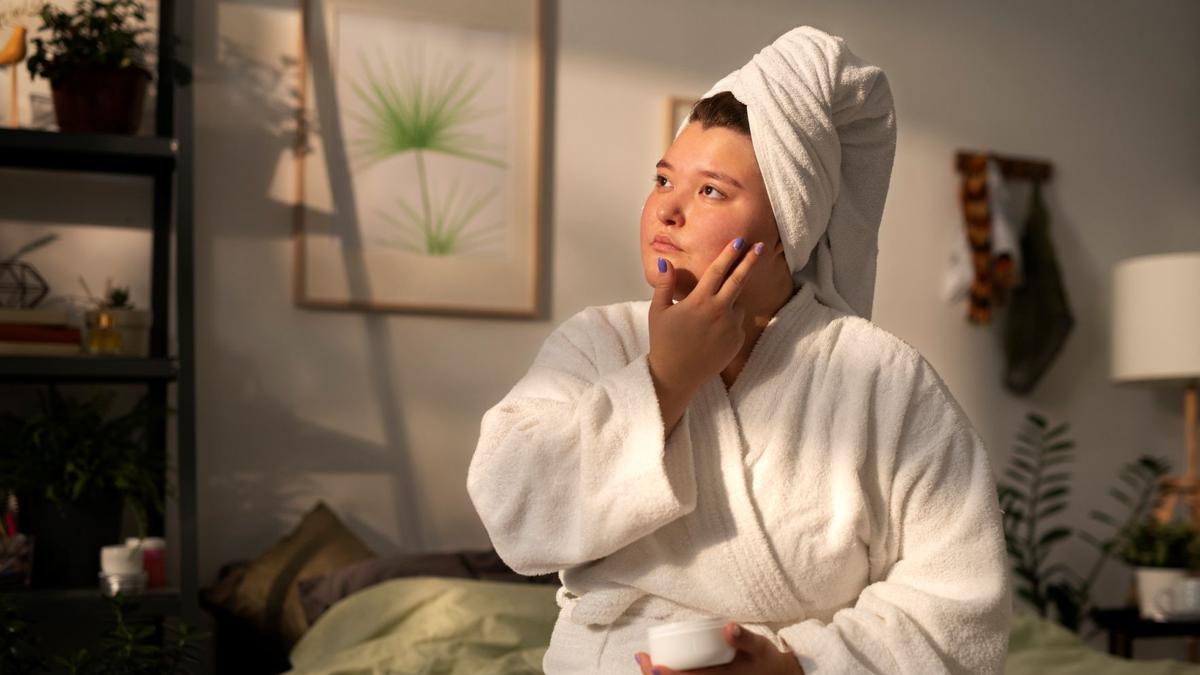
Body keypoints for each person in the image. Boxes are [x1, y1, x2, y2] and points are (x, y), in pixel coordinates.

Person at [467, 25, 1010, 675]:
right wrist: (664, 379)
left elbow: (958, 602)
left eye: (710, 191)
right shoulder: (597, 343)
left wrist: (794, 665)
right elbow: (512, 511)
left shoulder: (882, 377)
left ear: (786, 228)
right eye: (663, 179)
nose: (667, 211)